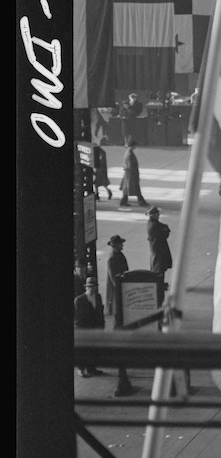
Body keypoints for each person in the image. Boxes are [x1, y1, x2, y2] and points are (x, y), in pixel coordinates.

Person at [104, 235, 134, 397]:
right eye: (120, 243)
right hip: (117, 294)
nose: (122, 245)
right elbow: (115, 279)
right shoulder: (111, 259)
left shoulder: (119, 255)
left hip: (123, 290)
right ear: (115, 245)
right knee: (118, 319)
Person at [74, 275, 106, 376]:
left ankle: (92, 369)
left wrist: (102, 326)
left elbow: (100, 312)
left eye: (93, 286)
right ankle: (81, 369)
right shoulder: (79, 300)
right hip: (84, 329)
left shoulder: (98, 297)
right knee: (84, 350)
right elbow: (78, 318)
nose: (91, 289)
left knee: (94, 350)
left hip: (96, 329)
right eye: (89, 287)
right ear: (86, 287)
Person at [119, 139, 148, 208]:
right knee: (136, 188)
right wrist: (135, 171)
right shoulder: (130, 154)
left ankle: (123, 201)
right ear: (133, 145)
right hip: (131, 174)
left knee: (126, 189)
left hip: (128, 174)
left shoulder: (127, 152)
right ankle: (141, 202)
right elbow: (131, 165)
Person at [146, 207, 172, 278]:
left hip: (157, 248)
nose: (158, 215)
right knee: (159, 267)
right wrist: (165, 228)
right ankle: (159, 283)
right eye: (157, 213)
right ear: (153, 215)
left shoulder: (151, 223)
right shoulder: (155, 225)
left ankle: (160, 282)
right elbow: (165, 234)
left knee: (159, 266)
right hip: (159, 248)